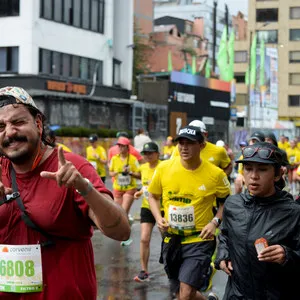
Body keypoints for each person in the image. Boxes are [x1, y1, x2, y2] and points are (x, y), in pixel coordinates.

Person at [0, 86, 130, 299]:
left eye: (18, 122)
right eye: (0, 126)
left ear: (38, 124)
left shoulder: (72, 167)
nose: (9, 132)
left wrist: (85, 188)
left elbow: (121, 231)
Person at [148, 125, 231, 300]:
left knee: (185, 293)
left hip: (199, 239)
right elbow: (153, 196)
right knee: (181, 292)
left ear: (201, 145)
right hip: (171, 239)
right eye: (181, 143)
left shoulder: (215, 174)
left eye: (190, 143)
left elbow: (227, 202)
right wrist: (158, 218)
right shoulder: (164, 168)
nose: (184, 148)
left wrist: (214, 221)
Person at [215, 142, 300, 299]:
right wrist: (223, 256)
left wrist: (286, 255)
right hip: (236, 294)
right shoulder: (233, 204)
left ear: (277, 174)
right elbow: (225, 235)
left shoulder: (293, 212)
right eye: (248, 169)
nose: (253, 176)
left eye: (262, 169)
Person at [133, 142, 162, 283]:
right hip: (147, 207)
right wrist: (139, 193)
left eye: (150, 153)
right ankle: (144, 271)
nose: (148, 156)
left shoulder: (164, 167)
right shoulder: (143, 167)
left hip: (163, 208)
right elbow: (147, 186)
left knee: (167, 240)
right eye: (145, 153)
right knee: (144, 238)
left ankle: (173, 269)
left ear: (158, 153)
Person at [109, 136, 141, 246]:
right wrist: (118, 172)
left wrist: (130, 172)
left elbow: (139, 175)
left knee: (123, 211)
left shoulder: (133, 159)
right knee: (118, 212)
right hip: (118, 188)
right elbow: (111, 173)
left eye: (122, 146)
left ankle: (126, 237)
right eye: (119, 146)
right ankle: (126, 224)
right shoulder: (114, 158)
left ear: (127, 147)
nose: (120, 148)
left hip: (130, 189)